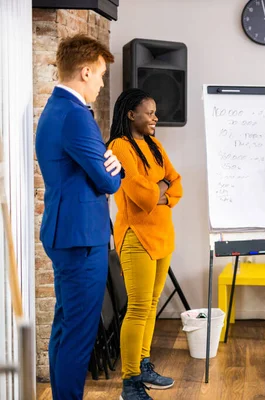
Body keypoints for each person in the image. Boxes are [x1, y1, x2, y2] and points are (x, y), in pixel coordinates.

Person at [36, 34, 122, 399]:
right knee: (78, 334)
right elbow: (107, 180)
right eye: (101, 75)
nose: (102, 84)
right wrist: (115, 168)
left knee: (65, 327)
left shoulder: (56, 109)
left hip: (66, 233)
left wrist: (106, 164)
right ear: (85, 72)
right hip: (80, 239)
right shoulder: (74, 116)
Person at [107, 88, 183, 400]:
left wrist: (160, 190)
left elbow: (176, 183)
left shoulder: (153, 144)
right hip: (136, 237)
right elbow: (142, 196)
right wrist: (159, 189)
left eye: (154, 112)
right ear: (130, 114)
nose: (155, 117)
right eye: (149, 112)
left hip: (163, 235)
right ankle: (130, 383)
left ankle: (143, 363)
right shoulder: (119, 147)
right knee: (137, 308)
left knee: (151, 305)